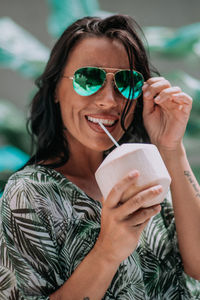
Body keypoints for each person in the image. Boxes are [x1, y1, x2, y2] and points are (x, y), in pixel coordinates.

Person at [0, 14, 200, 300]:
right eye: (88, 78)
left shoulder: (149, 173)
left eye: (126, 82)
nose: (109, 99)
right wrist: (107, 252)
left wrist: (171, 146)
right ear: (57, 88)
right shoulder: (30, 193)